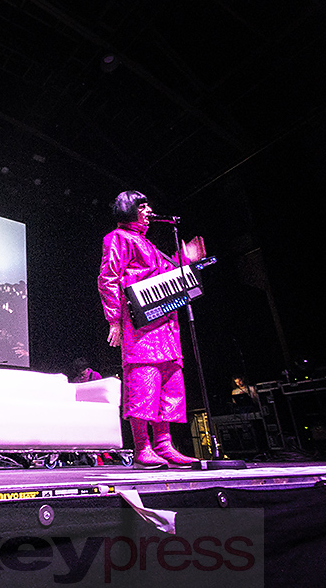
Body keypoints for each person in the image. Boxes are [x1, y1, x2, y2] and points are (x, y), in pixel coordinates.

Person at [97, 190, 206, 468]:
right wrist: (114, 320)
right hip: (140, 326)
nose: (147, 210)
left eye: (148, 206)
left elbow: (168, 270)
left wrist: (186, 257)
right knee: (144, 382)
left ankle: (164, 445)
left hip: (165, 324)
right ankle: (142, 446)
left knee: (168, 383)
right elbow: (108, 279)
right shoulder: (117, 238)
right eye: (142, 206)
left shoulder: (148, 244)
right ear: (128, 209)